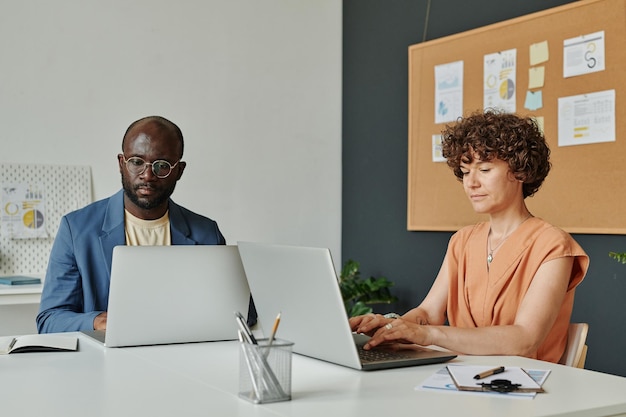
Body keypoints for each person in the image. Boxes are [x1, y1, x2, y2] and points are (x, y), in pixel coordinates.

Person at [350, 109, 589, 363]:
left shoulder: (553, 246)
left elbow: (524, 338)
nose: (471, 183)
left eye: (484, 169)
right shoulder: (462, 241)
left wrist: (428, 334)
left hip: (524, 386)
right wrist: (387, 327)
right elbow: (428, 313)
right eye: (465, 171)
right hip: (460, 378)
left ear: (521, 172)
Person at [37, 116, 228, 333]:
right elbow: (50, 320)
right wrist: (97, 322)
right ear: (121, 164)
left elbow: (240, 314)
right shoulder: (76, 229)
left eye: (162, 165)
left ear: (179, 171)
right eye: (137, 162)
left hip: (183, 358)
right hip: (104, 363)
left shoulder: (207, 234)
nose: (147, 176)